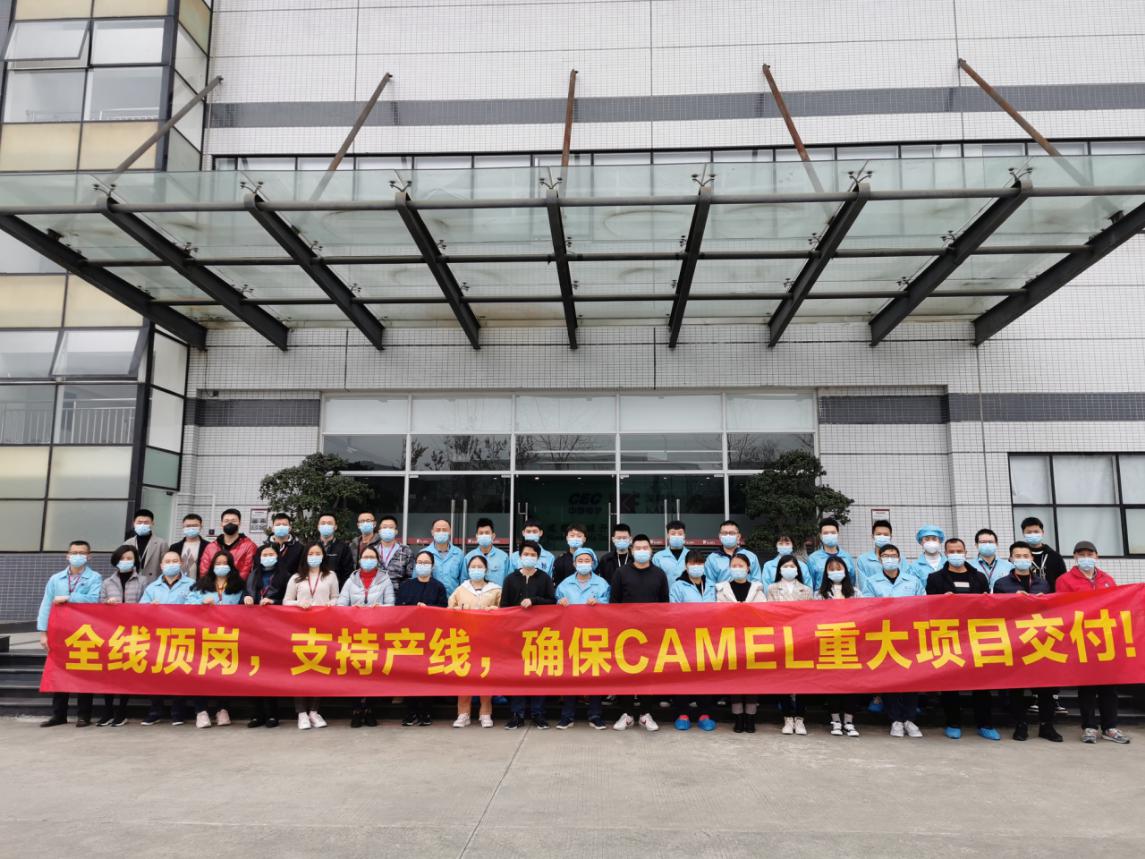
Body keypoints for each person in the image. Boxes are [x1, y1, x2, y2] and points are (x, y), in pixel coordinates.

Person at [1055, 540, 1130, 744]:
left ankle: (1110, 727)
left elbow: (1117, 606)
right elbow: (1062, 608)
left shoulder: (1107, 579)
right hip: (1081, 639)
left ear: (1096, 556)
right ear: (1075, 557)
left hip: (1106, 639)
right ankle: (1089, 727)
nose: (1086, 558)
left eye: (1089, 554)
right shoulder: (1065, 580)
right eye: (1081, 554)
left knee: (1109, 687)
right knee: (1087, 686)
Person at [925, 538, 1000, 742]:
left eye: (959, 550)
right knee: (950, 682)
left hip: (975, 635)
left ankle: (985, 724)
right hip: (949, 634)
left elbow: (987, 605)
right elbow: (929, 607)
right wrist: (943, 601)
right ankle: (953, 723)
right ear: (946, 553)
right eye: (951, 551)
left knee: (981, 682)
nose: (956, 554)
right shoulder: (935, 578)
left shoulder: (979, 577)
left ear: (966, 552)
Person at [992, 541, 1061, 742]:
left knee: (1046, 687)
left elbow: (1053, 610)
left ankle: (1046, 725)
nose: (1022, 559)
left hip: (1040, 639)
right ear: (1011, 559)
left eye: (1025, 556)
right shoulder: (1001, 584)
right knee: (1017, 687)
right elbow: (995, 611)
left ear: (1031, 559)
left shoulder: (1043, 583)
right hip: (1014, 641)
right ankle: (1020, 725)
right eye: (1018, 556)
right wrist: (1013, 600)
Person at [37, 540, 101, 728]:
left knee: (84, 672)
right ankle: (59, 715)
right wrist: (43, 632)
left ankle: (84, 715)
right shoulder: (56, 579)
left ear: (89, 556)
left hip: (84, 631)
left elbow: (94, 599)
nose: (77, 556)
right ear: (67, 555)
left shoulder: (95, 577)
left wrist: (69, 598)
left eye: (82, 553)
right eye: (74, 552)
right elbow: (46, 605)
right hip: (60, 632)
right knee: (59, 672)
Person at [862, 544, 923, 738]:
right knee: (891, 678)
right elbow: (867, 607)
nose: (890, 558)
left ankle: (910, 719)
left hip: (909, 634)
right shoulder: (872, 582)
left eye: (893, 555)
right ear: (880, 559)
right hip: (885, 635)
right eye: (886, 555)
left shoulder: (912, 581)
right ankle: (895, 719)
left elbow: (923, 604)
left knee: (912, 678)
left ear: (899, 558)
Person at [611, 534, 668, 732]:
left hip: (651, 632)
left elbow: (664, 604)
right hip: (626, 633)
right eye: (638, 548)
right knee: (625, 672)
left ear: (651, 551)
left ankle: (645, 713)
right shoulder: (621, 572)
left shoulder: (659, 574)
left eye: (645, 548)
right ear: (631, 550)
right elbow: (614, 602)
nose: (642, 551)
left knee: (648, 673)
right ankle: (627, 714)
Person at [336, 543, 396, 727]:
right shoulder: (351, 580)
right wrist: (352, 609)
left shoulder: (385, 579)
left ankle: (370, 708)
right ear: (360, 560)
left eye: (372, 557)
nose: (368, 560)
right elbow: (341, 604)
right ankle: (356, 709)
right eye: (365, 557)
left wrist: (380, 607)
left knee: (373, 670)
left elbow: (391, 605)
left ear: (377, 561)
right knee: (355, 670)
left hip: (376, 632)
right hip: (354, 632)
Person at [186, 551, 246, 730]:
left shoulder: (238, 586)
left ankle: (222, 709)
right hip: (203, 635)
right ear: (212, 566)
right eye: (217, 563)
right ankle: (201, 711)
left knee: (225, 674)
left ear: (231, 566)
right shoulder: (201, 585)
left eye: (224, 563)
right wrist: (202, 603)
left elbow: (244, 609)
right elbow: (186, 605)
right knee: (200, 673)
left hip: (227, 637)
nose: (221, 566)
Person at [501, 542, 557, 729]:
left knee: (538, 673)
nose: (529, 557)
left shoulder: (544, 578)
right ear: (520, 556)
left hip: (540, 634)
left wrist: (534, 600)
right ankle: (517, 714)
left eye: (533, 555)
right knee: (517, 674)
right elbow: (504, 606)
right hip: (516, 635)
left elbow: (552, 602)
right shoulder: (510, 579)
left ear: (538, 558)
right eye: (526, 554)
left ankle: (538, 713)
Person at [284, 543, 339, 730]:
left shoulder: (331, 576)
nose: (314, 556)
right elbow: (286, 601)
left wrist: (330, 604)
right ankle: (301, 713)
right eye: (311, 553)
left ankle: (314, 711)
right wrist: (299, 603)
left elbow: (336, 597)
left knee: (319, 668)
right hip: (300, 629)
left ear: (323, 556)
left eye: (318, 553)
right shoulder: (296, 578)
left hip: (323, 628)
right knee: (301, 669)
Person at [139, 551, 197, 727]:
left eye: (175, 561)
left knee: (179, 672)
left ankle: (178, 712)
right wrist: (150, 608)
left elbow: (195, 606)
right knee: (156, 673)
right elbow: (140, 609)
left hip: (182, 634)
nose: (171, 564)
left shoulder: (191, 584)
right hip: (158, 637)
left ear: (181, 564)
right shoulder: (152, 587)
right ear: (161, 565)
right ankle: (155, 711)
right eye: (167, 561)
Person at [554, 548, 610, 730]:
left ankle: (595, 715)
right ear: (574, 563)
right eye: (580, 560)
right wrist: (559, 603)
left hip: (594, 635)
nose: (584, 563)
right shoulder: (564, 584)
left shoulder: (602, 584)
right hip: (570, 635)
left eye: (587, 560)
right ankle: (567, 715)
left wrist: (599, 603)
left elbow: (610, 605)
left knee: (594, 675)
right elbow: (554, 606)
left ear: (593, 563)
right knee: (571, 674)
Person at [395, 550, 448, 727]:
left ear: (432, 566)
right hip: (409, 637)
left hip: (430, 637)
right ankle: (410, 712)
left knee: (427, 675)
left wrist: (428, 609)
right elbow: (398, 609)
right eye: (420, 562)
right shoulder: (406, 586)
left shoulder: (438, 587)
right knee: (409, 675)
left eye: (426, 563)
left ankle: (426, 712)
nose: (423, 565)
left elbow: (443, 611)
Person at [449, 554, 501, 728]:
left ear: (486, 569)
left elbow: (505, 610)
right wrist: (455, 610)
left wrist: (496, 610)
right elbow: (448, 610)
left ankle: (485, 713)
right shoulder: (460, 589)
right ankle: (463, 713)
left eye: (480, 567)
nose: (476, 569)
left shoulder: (495, 590)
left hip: (488, 638)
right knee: (465, 675)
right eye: (473, 567)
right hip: (465, 638)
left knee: (485, 674)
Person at [668, 550, 717, 732]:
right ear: (686, 566)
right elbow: (673, 612)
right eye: (692, 563)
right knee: (683, 675)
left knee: (705, 675)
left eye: (699, 563)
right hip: (684, 638)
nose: (696, 567)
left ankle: (705, 713)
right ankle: (682, 713)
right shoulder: (678, 586)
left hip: (708, 638)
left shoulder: (711, 585)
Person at [97, 544, 146, 727]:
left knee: (126, 672)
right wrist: (107, 604)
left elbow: (145, 605)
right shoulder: (107, 582)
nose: (125, 561)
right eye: (122, 558)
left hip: (133, 632)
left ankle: (121, 711)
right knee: (109, 672)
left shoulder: (142, 581)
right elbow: (98, 605)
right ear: (116, 561)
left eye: (129, 558)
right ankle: (107, 711)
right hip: (111, 632)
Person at [714, 553, 764, 732]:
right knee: (735, 678)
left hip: (753, 640)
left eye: (741, 565)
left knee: (752, 679)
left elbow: (764, 614)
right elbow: (718, 614)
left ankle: (750, 717)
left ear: (748, 568)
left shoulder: (757, 590)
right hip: (731, 639)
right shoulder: (722, 590)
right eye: (734, 566)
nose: (737, 569)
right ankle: (738, 717)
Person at [768, 554, 813, 735]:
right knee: (784, 678)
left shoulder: (806, 590)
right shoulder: (772, 588)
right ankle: (787, 717)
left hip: (802, 638)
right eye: (785, 566)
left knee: (802, 679)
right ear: (779, 569)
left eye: (792, 566)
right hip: (780, 638)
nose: (789, 569)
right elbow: (769, 613)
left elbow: (810, 615)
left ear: (797, 570)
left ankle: (800, 718)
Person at [244, 543, 288, 729]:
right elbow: (246, 593)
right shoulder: (253, 575)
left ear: (277, 556)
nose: (268, 557)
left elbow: (287, 600)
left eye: (271, 554)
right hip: (253, 629)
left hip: (274, 630)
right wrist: (246, 597)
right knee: (253, 671)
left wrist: (274, 601)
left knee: (270, 672)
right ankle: (256, 714)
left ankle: (272, 714)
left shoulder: (285, 576)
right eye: (264, 554)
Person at [817, 556, 862, 737]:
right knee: (833, 684)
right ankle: (835, 720)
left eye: (839, 568)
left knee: (852, 684)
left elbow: (865, 614)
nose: (836, 572)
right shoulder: (819, 594)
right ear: (826, 572)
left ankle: (849, 721)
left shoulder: (856, 593)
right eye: (832, 569)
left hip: (851, 642)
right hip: (829, 642)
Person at [199, 508, 257, 581]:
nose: (230, 523)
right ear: (221, 524)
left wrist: (233, 585)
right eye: (226, 521)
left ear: (239, 523)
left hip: (238, 586)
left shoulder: (249, 546)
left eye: (233, 521)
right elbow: (204, 570)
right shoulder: (211, 547)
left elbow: (247, 570)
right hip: (213, 586)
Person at [122, 507, 169, 584]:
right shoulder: (127, 543)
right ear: (134, 523)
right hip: (131, 583)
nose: (142, 525)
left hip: (154, 583)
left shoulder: (161, 543)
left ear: (152, 523)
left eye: (146, 522)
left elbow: (166, 566)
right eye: (139, 522)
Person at [807, 517, 855, 590]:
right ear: (820, 535)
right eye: (826, 533)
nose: (830, 535)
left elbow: (852, 581)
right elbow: (810, 585)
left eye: (833, 533)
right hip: (821, 596)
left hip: (845, 596)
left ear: (837, 533)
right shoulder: (813, 559)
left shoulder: (847, 557)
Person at [1020, 517, 1068, 588]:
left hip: (1051, 594)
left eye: (1036, 532)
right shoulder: (1019, 557)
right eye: (1029, 532)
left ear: (1042, 532)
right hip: (1026, 594)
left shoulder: (1055, 556)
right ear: (1023, 534)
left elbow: (1063, 581)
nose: (1033, 534)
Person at [463, 518, 510, 586]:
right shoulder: (468, 557)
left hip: (497, 593)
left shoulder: (503, 557)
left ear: (493, 536)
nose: (484, 535)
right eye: (481, 533)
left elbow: (508, 582)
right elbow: (464, 581)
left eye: (487, 533)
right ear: (477, 536)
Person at [423, 518, 464, 594]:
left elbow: (463, 580)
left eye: (444, 530)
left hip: (453, 599)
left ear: (450, 532)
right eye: (438, 530)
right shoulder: (424, 554)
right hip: (431, 599)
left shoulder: (459, 553)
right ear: (432, 532)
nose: (441, 532)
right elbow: (417, 579)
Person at [316, 512, 355, 587]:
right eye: (323, 523)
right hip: (315, 589)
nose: (326, 525)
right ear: (318, 527)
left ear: (335, 527)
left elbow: (348, 572)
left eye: (329, 523)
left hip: (337, 589)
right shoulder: (311, 546)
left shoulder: (344, 547)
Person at [373, 514, 412, 587]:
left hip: (398, 592)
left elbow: (410, 576)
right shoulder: (372, 551)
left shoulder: (405, 550)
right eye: (384, 527)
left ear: (396, 531)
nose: (387, 529)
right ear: (379, 531)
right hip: (376, 591)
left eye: (391, 527)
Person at [855, 519, 893, 593]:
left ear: (891, 537)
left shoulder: (900, 559)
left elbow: (904, 583)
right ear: (873, 536)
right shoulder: (863, 560)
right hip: (872, 598)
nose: (882, 537)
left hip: (895, 598)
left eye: (886, 535)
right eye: (878, 534)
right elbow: (864, 586)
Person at [550, 522, 588, 586]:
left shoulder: (590, 559)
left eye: (579, 536)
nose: (575, 538)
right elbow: (557, 583)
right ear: (567, 538)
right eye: (572, 536)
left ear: (584, 539)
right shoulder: (560, 560)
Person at [169, 514, 206, 578]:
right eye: (188, 526)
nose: (191, 528)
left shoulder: (208, 546)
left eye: (195, 525)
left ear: (201, 526)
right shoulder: (174, 547)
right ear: (183, 527)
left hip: (200, 582)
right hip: (178, 582)